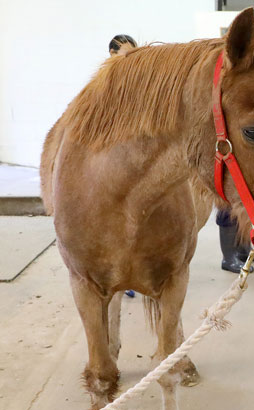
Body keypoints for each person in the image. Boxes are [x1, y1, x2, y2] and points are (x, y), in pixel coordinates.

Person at [109, 34, 140, 296]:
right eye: (125, 54)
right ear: (112, 54)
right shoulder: (106, 81)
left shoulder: (138, 81)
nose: (130, 59)